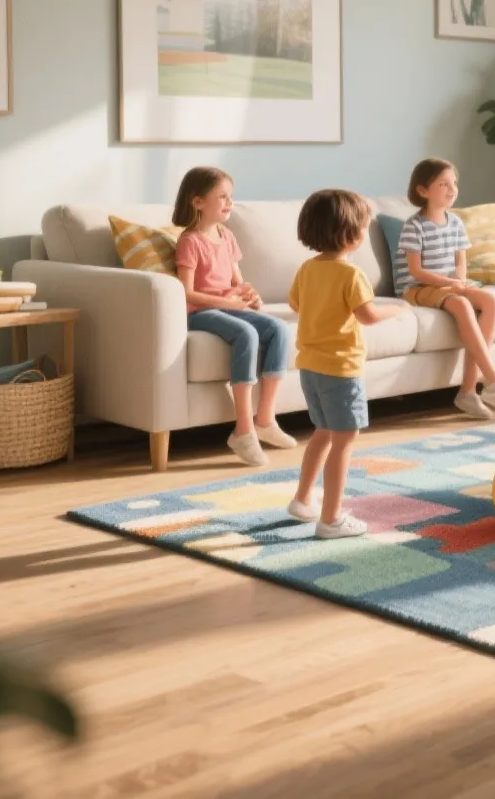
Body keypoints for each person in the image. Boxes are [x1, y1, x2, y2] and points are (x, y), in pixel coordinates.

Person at [287, 189, 403, 539]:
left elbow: (296, 306)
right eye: (365, 228)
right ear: (351, 234)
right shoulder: (351, 275)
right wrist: (395, 310)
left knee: (322, 433)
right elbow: (367, 316)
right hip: (341, 369)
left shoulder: (307, 269)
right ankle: (331, 519)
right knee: (344, 439)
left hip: (310, 365)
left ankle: (302, 500)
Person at [172, 166, 294, 467]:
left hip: (228, 306)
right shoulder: (190, 241)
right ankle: (243, 430)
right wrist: (227, 300)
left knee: (279, 329)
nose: (229, 203)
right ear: (198, 202)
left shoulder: (227, 237)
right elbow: (186, 293)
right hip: (199, 313)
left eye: (231, 197)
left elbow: (238, 282)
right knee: (247, 334)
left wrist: (248, 295)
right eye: (222, 197)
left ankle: (265, 420)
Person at [397, 158, 495, 420]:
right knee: (461, 304)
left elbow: (460, 262)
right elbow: (416, 271)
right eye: (443, 184)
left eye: (454, 183)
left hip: (450, 284)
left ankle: (468, 391)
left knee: (490, 301)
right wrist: (451, 285)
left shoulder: (455, 223)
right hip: (420, 287)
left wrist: (460, 282)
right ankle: (493, 381)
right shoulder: (414, 226)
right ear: (423, 191)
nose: (451, 189)